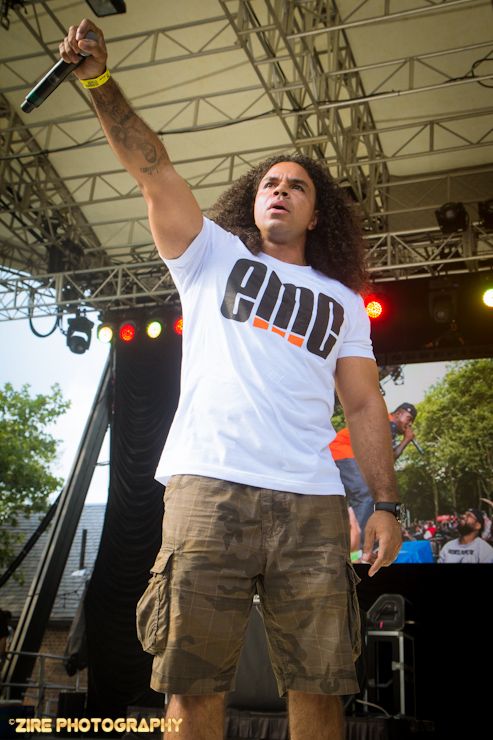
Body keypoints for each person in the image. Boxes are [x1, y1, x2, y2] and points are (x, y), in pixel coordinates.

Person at [59, 19, 403, 740]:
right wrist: (99, 81)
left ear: (316, 212)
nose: (281, 191)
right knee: (189, 689)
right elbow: (153, 167)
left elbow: (365, 403)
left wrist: (384, 504)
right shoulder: (209, 255)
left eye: (297, 186)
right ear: (252, 199)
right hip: (208, 489)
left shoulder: (342, 301)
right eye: (270, 183)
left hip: (310, 501)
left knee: (320, 688)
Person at [330, 402, 417, 545]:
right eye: (409, 419)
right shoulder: (388, 423)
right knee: (365, 494)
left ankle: (360, 538)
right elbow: (389, 458)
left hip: (345, 455)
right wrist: (406, 440)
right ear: (398, 414)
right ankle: (359, 545)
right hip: (343, 452)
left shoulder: (387, 425)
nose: (409, 425)